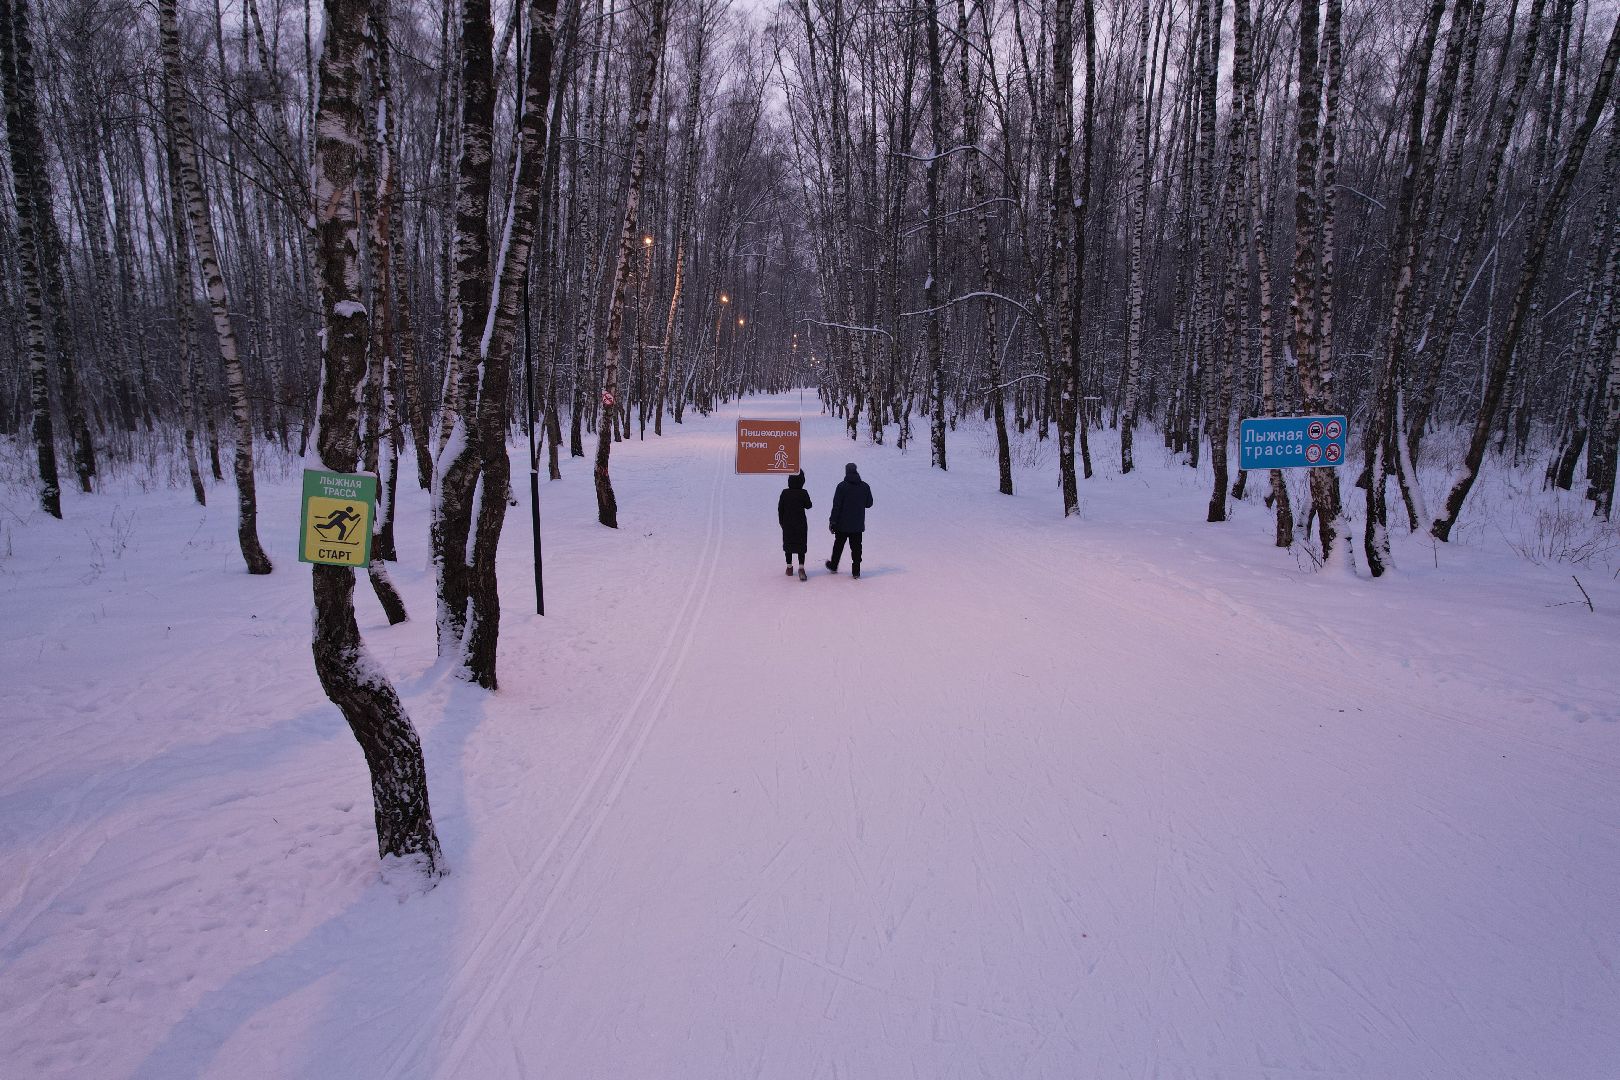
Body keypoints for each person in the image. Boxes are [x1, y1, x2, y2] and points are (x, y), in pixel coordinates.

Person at [825, 462, 873, 578]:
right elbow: (869, 503)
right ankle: (856, 571)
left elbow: (836, 506)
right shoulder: (865, 486)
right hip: (857, 524)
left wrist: (832, 521)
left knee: (838, 545)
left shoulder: (841, 486)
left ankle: (833, 565)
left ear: (846, 472)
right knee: (856, 547)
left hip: (842, 524)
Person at [777, 471, 812, 581]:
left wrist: (782, 522)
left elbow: (780, 509)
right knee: (801, 544)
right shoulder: (803, 493)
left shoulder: (785, 493)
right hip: (800, 523)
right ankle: (801, 568)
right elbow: (809, 505)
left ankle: (789, 568)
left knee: (788, 544)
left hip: (787, 523)